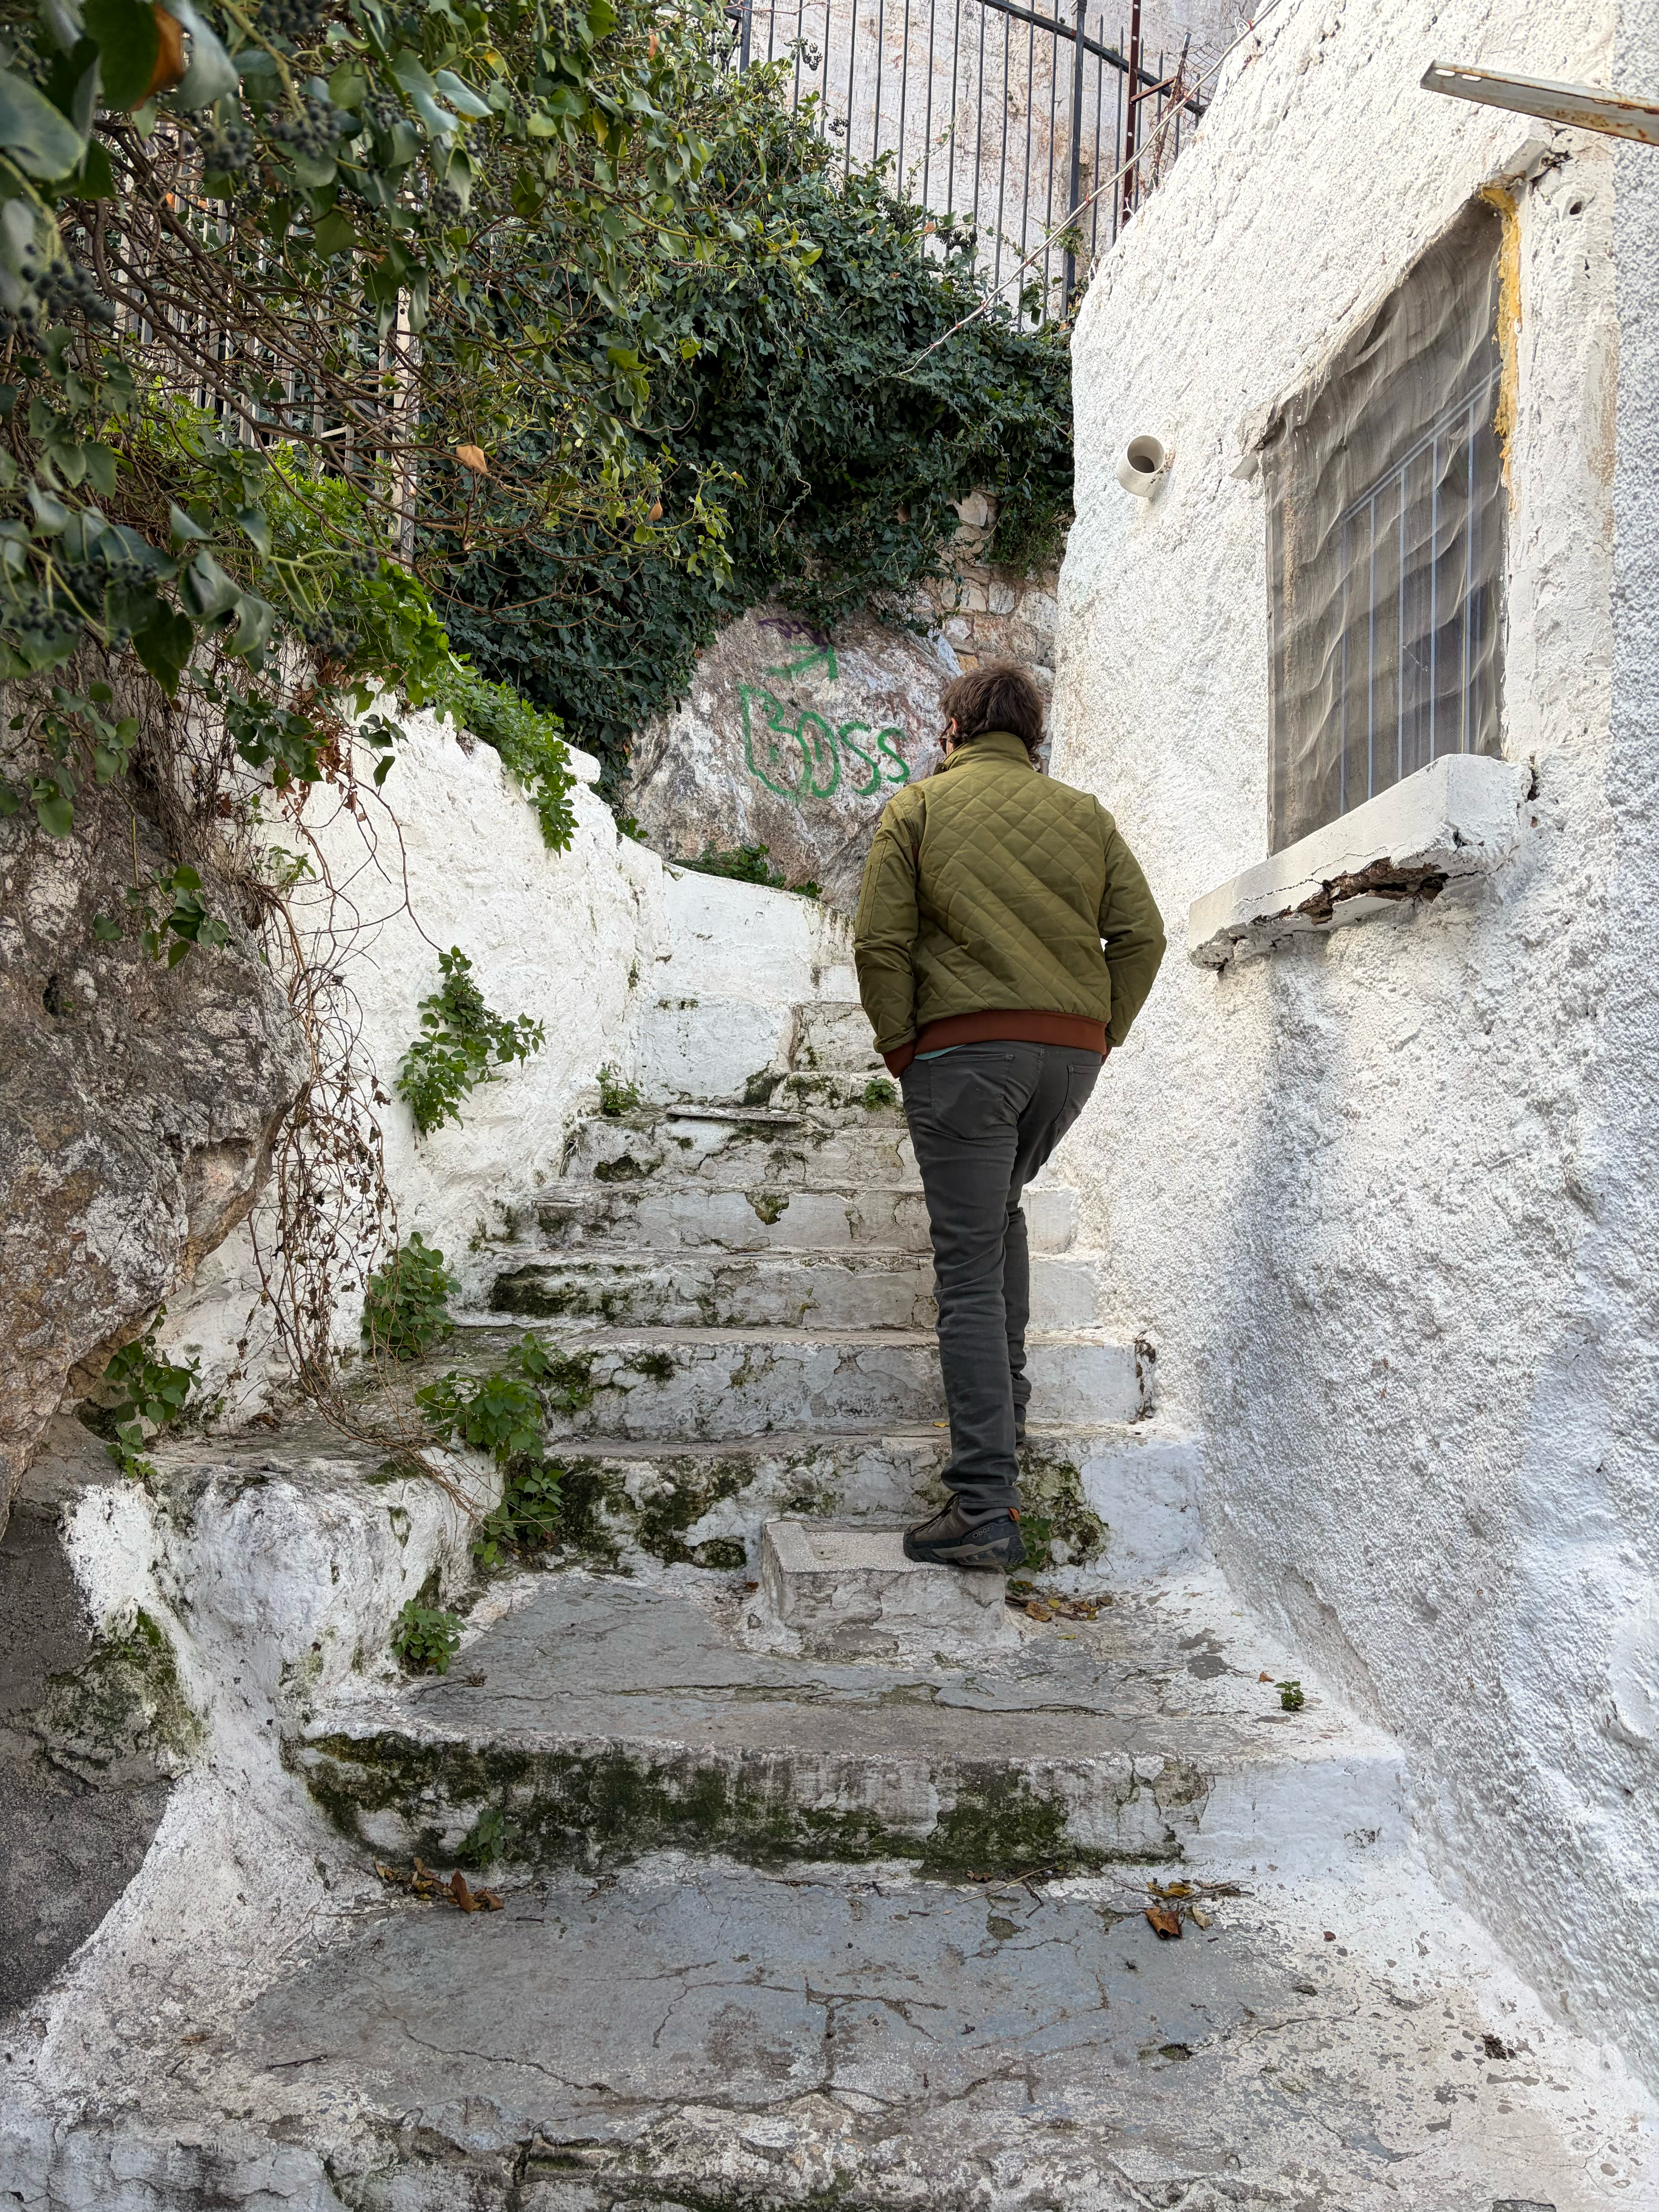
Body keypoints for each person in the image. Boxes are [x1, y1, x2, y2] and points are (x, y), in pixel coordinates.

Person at [853, 662, 1165, 1571]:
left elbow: (880, 942)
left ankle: (985, 1506)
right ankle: (1010, 1420)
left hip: (963, 1060)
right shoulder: (1085, 815)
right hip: (1065, 1060)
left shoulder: (915, 812)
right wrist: (1100, 1034)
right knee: (1001, 1219)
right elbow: (1141, 936)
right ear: (1033, 736)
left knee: (966, 1272)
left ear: (952, 729)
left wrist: (904, 1049)